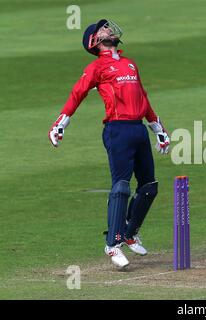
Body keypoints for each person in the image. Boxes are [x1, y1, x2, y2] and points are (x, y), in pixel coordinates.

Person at [48, 19, 170, 268]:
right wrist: (61, 123)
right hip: (117, 129)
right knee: (122, 187)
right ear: (94, 41)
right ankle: (112, 245)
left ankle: (129, 232)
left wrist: (157, 127)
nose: (109, 29)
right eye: (103, 29)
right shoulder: (96, 67)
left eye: (107, 27)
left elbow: (142, 97)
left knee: (149, 187)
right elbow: (78, 92)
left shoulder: (130, 64)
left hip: (138, 129)